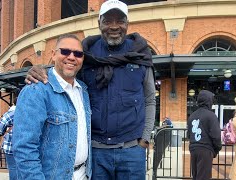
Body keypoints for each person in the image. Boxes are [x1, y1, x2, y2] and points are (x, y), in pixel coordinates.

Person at [25, 1, 156, 179]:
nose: (114, 26)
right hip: (96, 152)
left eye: (120, 21)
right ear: (99, 23)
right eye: (108, 21)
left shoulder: (140, 54)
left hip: (132, 151)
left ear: (127, 24)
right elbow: (64, 72)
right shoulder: (86, 54)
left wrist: (145, 139)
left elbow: (149, 99)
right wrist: (41, 70)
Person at [13, 34, 92, 180]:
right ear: (53, 55)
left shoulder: (83, 91)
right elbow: (24, 148)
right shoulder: (36, 90)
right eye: (65, 51)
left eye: (78, 54)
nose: (71, 57)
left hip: (83, 174)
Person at [187, 90, 222, 180]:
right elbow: (216, 136)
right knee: (204, 177)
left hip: (193, 149)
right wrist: (216, 149)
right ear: (208, 101)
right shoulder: (211, 115)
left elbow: (188, 135)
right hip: (205, 149)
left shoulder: (192, 116)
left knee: (196, 175)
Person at [0, 97, 18, 180]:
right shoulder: (30, 113)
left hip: (11, 145)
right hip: (27, 146)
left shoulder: (10, 114)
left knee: (13, 168)